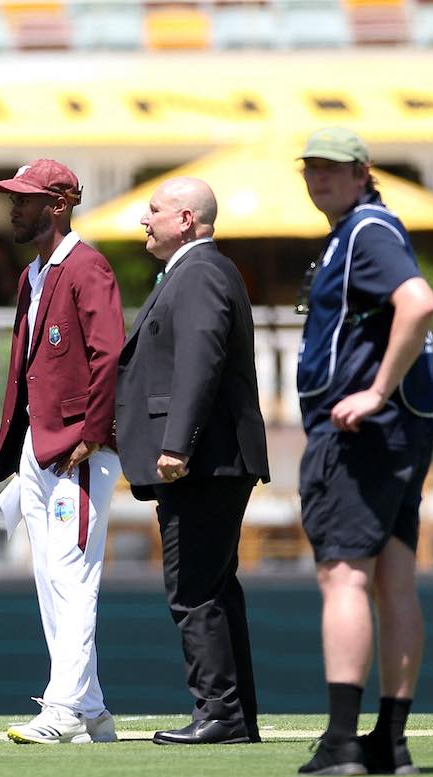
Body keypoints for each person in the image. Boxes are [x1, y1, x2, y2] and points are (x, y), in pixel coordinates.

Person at [294, 128, 433, 777]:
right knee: (393, 578)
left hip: (365, 434)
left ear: (362, 174)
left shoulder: (365, 230)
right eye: (312, 168)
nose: (319, 178)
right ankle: (390, 740)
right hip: (401, 430)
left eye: (334, 168)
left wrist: (375, 391)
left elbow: (419, 302)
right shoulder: (361, 230)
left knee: (345, 576)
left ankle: (343, 741)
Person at [115, 177, 269, 746]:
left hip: (203, 461)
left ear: (186, 220)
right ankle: (234, 714)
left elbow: (200, 360)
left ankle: (221, 715)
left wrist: (177, 442)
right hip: (212, 458)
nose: (144, 220)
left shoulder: (200, 271)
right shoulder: (201, 270)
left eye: (153, 211)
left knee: (195, 589)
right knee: (214, 587)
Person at [0, 159, 125, 745]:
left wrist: (91, 433)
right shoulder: (33, 274)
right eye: (13, 198)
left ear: (58, 205)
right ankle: (89, 708)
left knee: (72, 576)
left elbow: (108, 354)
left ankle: (65, 708)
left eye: (24, 199)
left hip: (78, 449)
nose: (13, 208)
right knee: (50, 577)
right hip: (41, 448)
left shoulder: (87, 265)